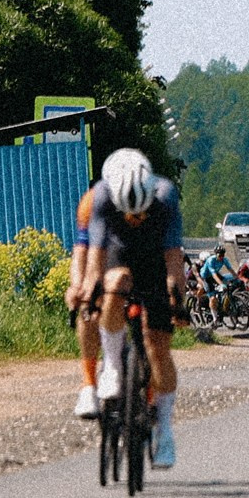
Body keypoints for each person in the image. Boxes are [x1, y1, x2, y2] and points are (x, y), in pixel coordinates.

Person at [68, 148, 184, 469]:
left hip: (154, 259)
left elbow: (174, 258)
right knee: (111, 286)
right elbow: (94, 257)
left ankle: (165, 431)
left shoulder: (165, 196)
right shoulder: (101, 197)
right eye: (128, 212)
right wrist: (87, 293)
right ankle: (112, 369)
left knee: (158, 346)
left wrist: (178, 302)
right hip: (119, 253)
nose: (134, 218)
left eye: (140, 212)